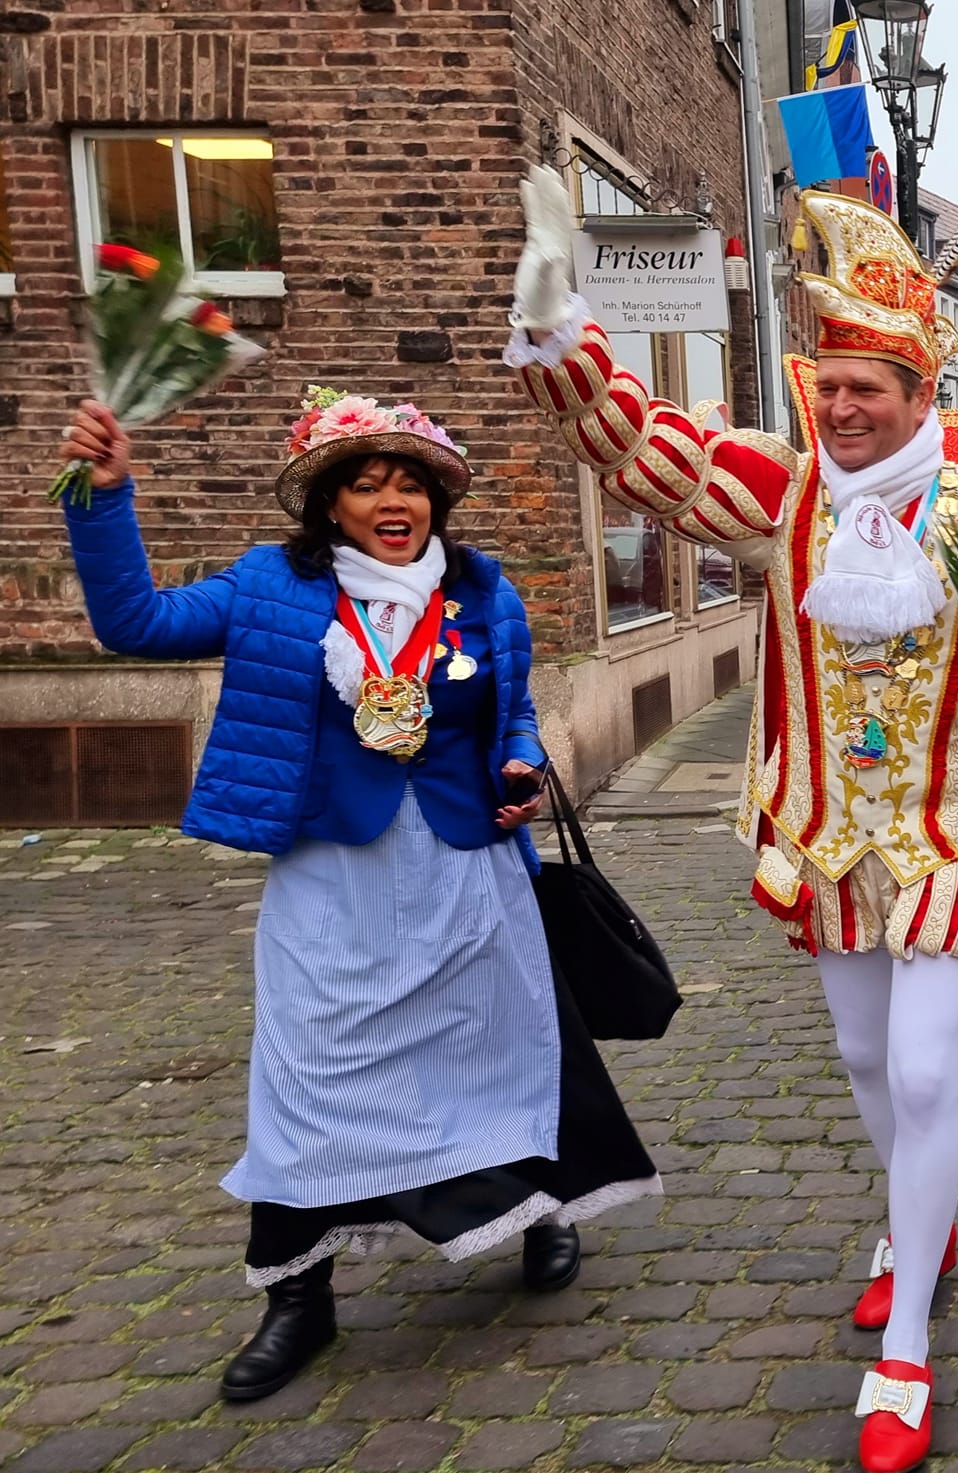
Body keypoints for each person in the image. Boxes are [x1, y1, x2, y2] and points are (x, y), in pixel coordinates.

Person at [507, 128, 958, 1470]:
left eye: (871, 388)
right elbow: (652, 453)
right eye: (829, 386)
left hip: (957, 834)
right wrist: (566, 333)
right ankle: (925, 1215)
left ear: (922, 390)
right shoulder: (785, 497)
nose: (844, 409)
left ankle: (907, 1338)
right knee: (865, 1065)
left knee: (924, 1069)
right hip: (825, 835)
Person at [56, 391, 660, 1403]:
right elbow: (134, 623)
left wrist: (517, 772)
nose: (393, 500)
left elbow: (510, 722)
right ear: (329, 503)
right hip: (334, 877)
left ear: (435, 498)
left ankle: (536, 1212)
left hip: (467, 875)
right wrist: (104, 496)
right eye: (367, 483)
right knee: (309, 1076)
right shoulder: (271, 588)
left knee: (497, 1052)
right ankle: (299, 1297)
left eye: (410, 482)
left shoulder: (485, 593)